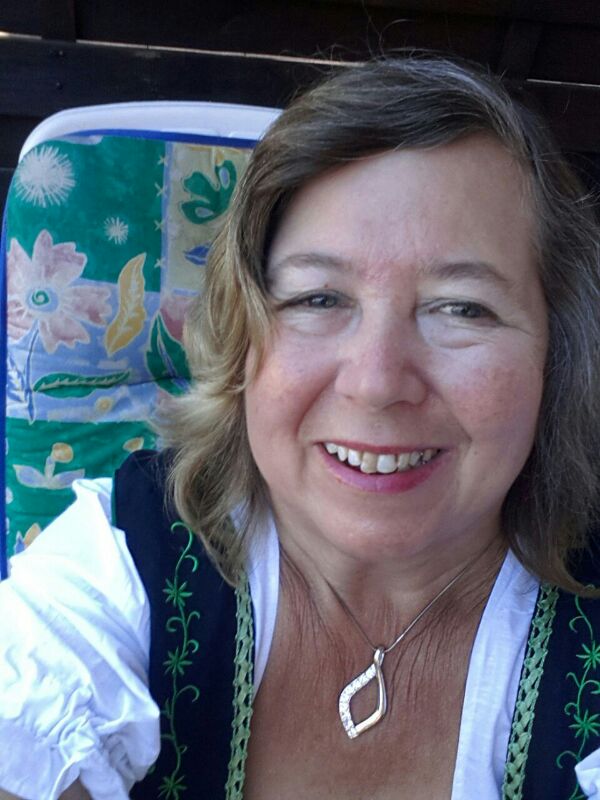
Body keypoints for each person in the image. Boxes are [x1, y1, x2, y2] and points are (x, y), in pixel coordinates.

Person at [1, 53, 600, 800]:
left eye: (462, 308)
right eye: (318, 298)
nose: (376, 382)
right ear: (242, 341)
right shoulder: (127, 558)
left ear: (559, 357)